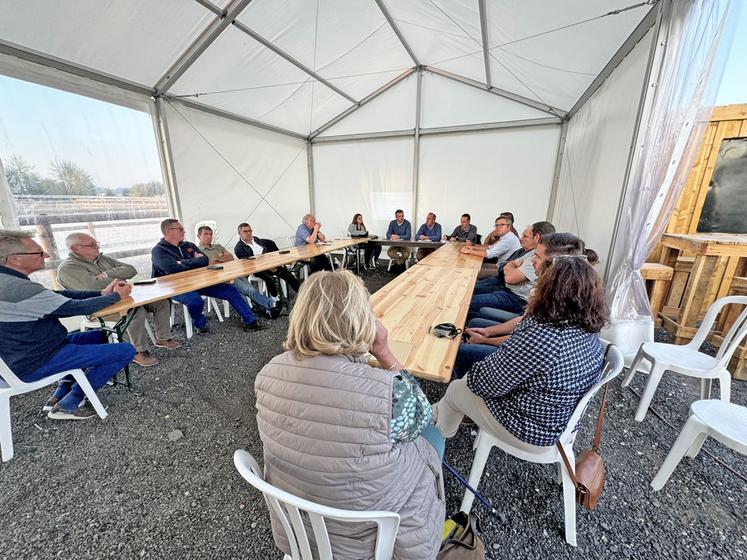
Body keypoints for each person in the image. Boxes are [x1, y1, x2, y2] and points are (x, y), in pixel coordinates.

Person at [255, 270, 444, 559]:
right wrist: (384, 352)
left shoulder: (268, 372)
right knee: (434, 435)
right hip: (364, 532)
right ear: (361, 320)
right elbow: (422, 417)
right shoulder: (389, 390)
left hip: (298, 520)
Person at [435, 255, 608, 451]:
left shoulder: (544, 336)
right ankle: (439, 413)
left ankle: (435, 440)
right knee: (466, 380)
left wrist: (483, 363)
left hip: (532, 431)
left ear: (549, 290)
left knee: (457, 389)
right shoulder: (586, 328)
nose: (535, 286)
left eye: (541, 281)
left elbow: (485, 384)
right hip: (558, 417)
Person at [0, 230, 135, 420]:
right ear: (15, 259)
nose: (46, 255)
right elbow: (75, 308)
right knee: (125, 350)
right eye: (38, 252)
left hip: (19, 354)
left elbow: (57, 295)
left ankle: (62, 390)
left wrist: (101, 294)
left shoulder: (8, 281)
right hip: (36, 360)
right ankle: (71, 402)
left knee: (99, 335)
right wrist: (116, 296)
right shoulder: (17, 288)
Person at [455, 233, 598, 377]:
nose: (532, 260)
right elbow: (524, 327)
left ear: (554, 264)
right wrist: (487, 333)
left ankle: (465, 383)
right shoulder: (572, 292)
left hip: (523, 384)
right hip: (533, 360)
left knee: (459, 351)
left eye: (537, 256)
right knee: (474, 323)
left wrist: (485, 340)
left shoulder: (554, 302)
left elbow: (523, 344)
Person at [57, 232, 179, 367]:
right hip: (98, 307)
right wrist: (118, 279)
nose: (97, 247)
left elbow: (131, 270)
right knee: (134, 311)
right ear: (75, 249)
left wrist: (106, 274)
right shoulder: (68, 268)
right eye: (92, 245)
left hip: (123, 297)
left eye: (96, 244)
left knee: (160, 301)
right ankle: (138, 351)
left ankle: (163, 337)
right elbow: (93, 287)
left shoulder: (102, 259)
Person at [151, 219, 262, 333]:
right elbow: (172, 269)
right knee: (196, 301)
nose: (184, 231)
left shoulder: (188, 245)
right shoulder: (159, 251)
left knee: (231, 291)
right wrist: (193, 261)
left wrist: (182, 262)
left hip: (199, 282)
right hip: (175, 287)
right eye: (180, 229)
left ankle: (251, 322)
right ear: (169, 232)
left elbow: (204, 260)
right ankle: (200, 324)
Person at [467, 221, 555, 318]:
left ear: (537, 237)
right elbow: (509, 263)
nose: (521, 239)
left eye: (501, 225)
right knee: (467, 291)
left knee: (466, 299)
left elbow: (509, 277)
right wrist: (511, 266)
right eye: (496, 225)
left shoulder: (541, 256)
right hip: (506, 286)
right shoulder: (534, 252)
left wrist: (511, 266)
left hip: (515, 298)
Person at [196, 225, 282, 319]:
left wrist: (216, 259)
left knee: (249, 289)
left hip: (232, 272)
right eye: (206, 234)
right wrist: (221, 258)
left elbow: (230, 258)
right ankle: (271, 304)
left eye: (211, 234)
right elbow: (207, 264)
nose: (209, 236)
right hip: (220, 277)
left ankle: (265, 308)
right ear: (198, 236)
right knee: (249, 290)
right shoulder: (197, 251)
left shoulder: (218, 246)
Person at [233, 223, 300, 298]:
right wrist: (268, 265)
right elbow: (249, 263)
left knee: (288, 275)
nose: (248, 233)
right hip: (257, 269)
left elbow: (270, 248)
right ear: (239, 233)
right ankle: (275, 299)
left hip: (270, 264)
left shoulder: (257, 240)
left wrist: (273, 261)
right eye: (245, 231)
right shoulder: (239, 248)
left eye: (250, 230)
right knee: (270, 279)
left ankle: (301, 293)